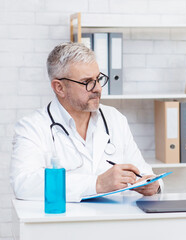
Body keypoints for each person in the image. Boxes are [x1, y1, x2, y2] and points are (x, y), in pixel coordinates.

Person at [10, 42, 162, 202]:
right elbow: (24, 184)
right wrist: (97, 184)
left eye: (98, 79)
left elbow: (143, 171)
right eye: (87, 82)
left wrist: (153, 185)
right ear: (59, 88)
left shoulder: (115, 118)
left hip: (114, 222)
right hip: (63, 224)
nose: (98, 88)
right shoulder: (32, 127)